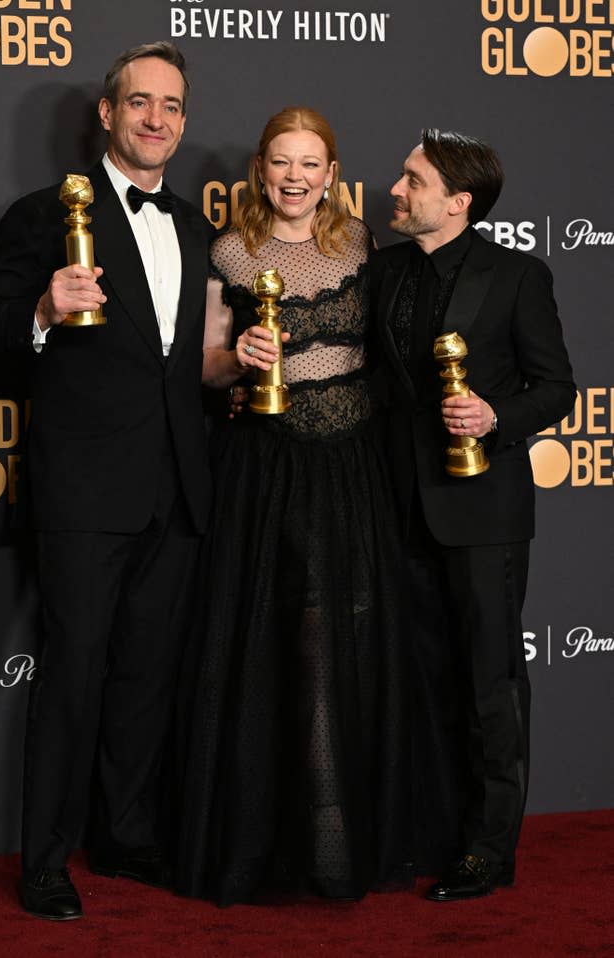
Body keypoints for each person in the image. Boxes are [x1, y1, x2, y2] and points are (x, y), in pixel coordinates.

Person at [0, 42, 213, 920]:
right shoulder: (42, 216)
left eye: (172, 106)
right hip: (82, 492)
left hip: (179, 489)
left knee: (147, 676)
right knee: (71, 676)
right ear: (106, 114)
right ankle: (46, 860)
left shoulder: (195, 229)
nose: (157, 119)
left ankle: (126, 834)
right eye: (140, 102)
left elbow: (181, 364)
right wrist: (39, 310)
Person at [175, 107, 413, 906]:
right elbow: (205, 368)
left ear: (332, 173)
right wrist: (234, 358)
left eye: (311, 163)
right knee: (280, 645)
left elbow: (385, 355)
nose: (296, 176)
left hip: (351, 468)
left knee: (345, 636)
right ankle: (288, 842)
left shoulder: (359, 244)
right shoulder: (229, 251)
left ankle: (340, 835)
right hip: (267, 472)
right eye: (283, 161)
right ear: (260, 168)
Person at [371, 129, 575, 901]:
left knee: (490, 682)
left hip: (483, 509)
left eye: (412, 179)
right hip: (394, 507)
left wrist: (495, 416)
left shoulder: (519, 275)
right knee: (418, 678)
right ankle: (429, 831)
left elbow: (557, 388)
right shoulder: (381, 270)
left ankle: (491, 849)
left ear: (457, 203)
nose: (395, 186)